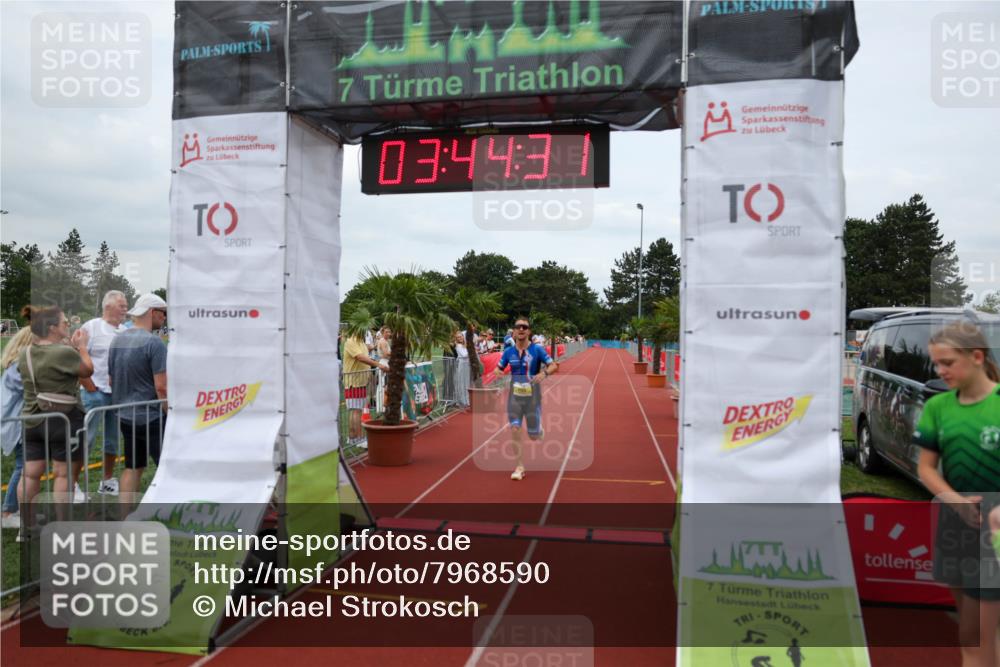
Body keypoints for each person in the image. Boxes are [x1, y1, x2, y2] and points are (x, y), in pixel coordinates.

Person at [915, 320, 1000, 667]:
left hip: (993, 527)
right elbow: (926, 468)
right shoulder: (938, 408)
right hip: (955, 519)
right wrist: (956, 502)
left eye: (947, 363)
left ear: (977, 357)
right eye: (936, 363)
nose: (940, 371)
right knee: (978, 628)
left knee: (975, 636)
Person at [16, 305, 93, 511]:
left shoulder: (25, 352)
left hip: (32, 420)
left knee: (29, 474)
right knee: (63, 474)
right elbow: (87, 370)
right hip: (64, 420)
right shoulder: (64, 352)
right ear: (52, 328)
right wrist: (82, 347)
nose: (68, 324)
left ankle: (27, 527)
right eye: (64, 322)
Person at [108, 294, 168, 501]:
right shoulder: (155, 343)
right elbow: (161, 387)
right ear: (153, 312)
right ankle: (174, 515)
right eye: (164, 313)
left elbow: (110, 380)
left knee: (133, 467)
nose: (165, 318)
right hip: (152, 417)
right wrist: (169, 413)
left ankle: (124, 516)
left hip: (125, 415)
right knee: (167, 467)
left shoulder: (117, 340)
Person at [496, 317, 558, 481]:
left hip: (533, 397)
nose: (521, 329)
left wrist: (544, 373)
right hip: (514, 397)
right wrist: (497, 373)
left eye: (524, 327)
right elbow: (499, 368)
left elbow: (553, 365)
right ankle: (519, 466)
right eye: (518, 327)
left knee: (533, 436)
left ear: (529, 331)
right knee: (515, 429)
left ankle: (538, 429)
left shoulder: (537, 350)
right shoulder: (508, 352)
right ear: (514, 331)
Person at [80, 290, 127, 496]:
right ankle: (72, 485)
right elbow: (77, 359)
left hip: (117, 395)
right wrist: (91, 388)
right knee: (86, 439)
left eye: (125, 306)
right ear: (108, 306)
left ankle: (107, 482)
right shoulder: (91, 326)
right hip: (94, 393)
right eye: (122, 305)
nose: (125, 310)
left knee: (112, 440)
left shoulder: (125, 331)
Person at [1, 325, 35, 529]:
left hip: (16, 421)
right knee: (23, 466)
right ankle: (8, 511)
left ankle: (16, 509)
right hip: (16, 422)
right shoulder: (19, 365)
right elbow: (31, 388)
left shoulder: (17, 363)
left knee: (24, 465)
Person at [343, 332, 381, 443]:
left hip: (361, 381)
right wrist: (378, 364)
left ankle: (354, 438)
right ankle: (357, 438)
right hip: (353, 382)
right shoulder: (351, 341)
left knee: (357, 410)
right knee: (355, 410)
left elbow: (366, 356)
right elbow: (360, 357)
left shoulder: (361, 342)